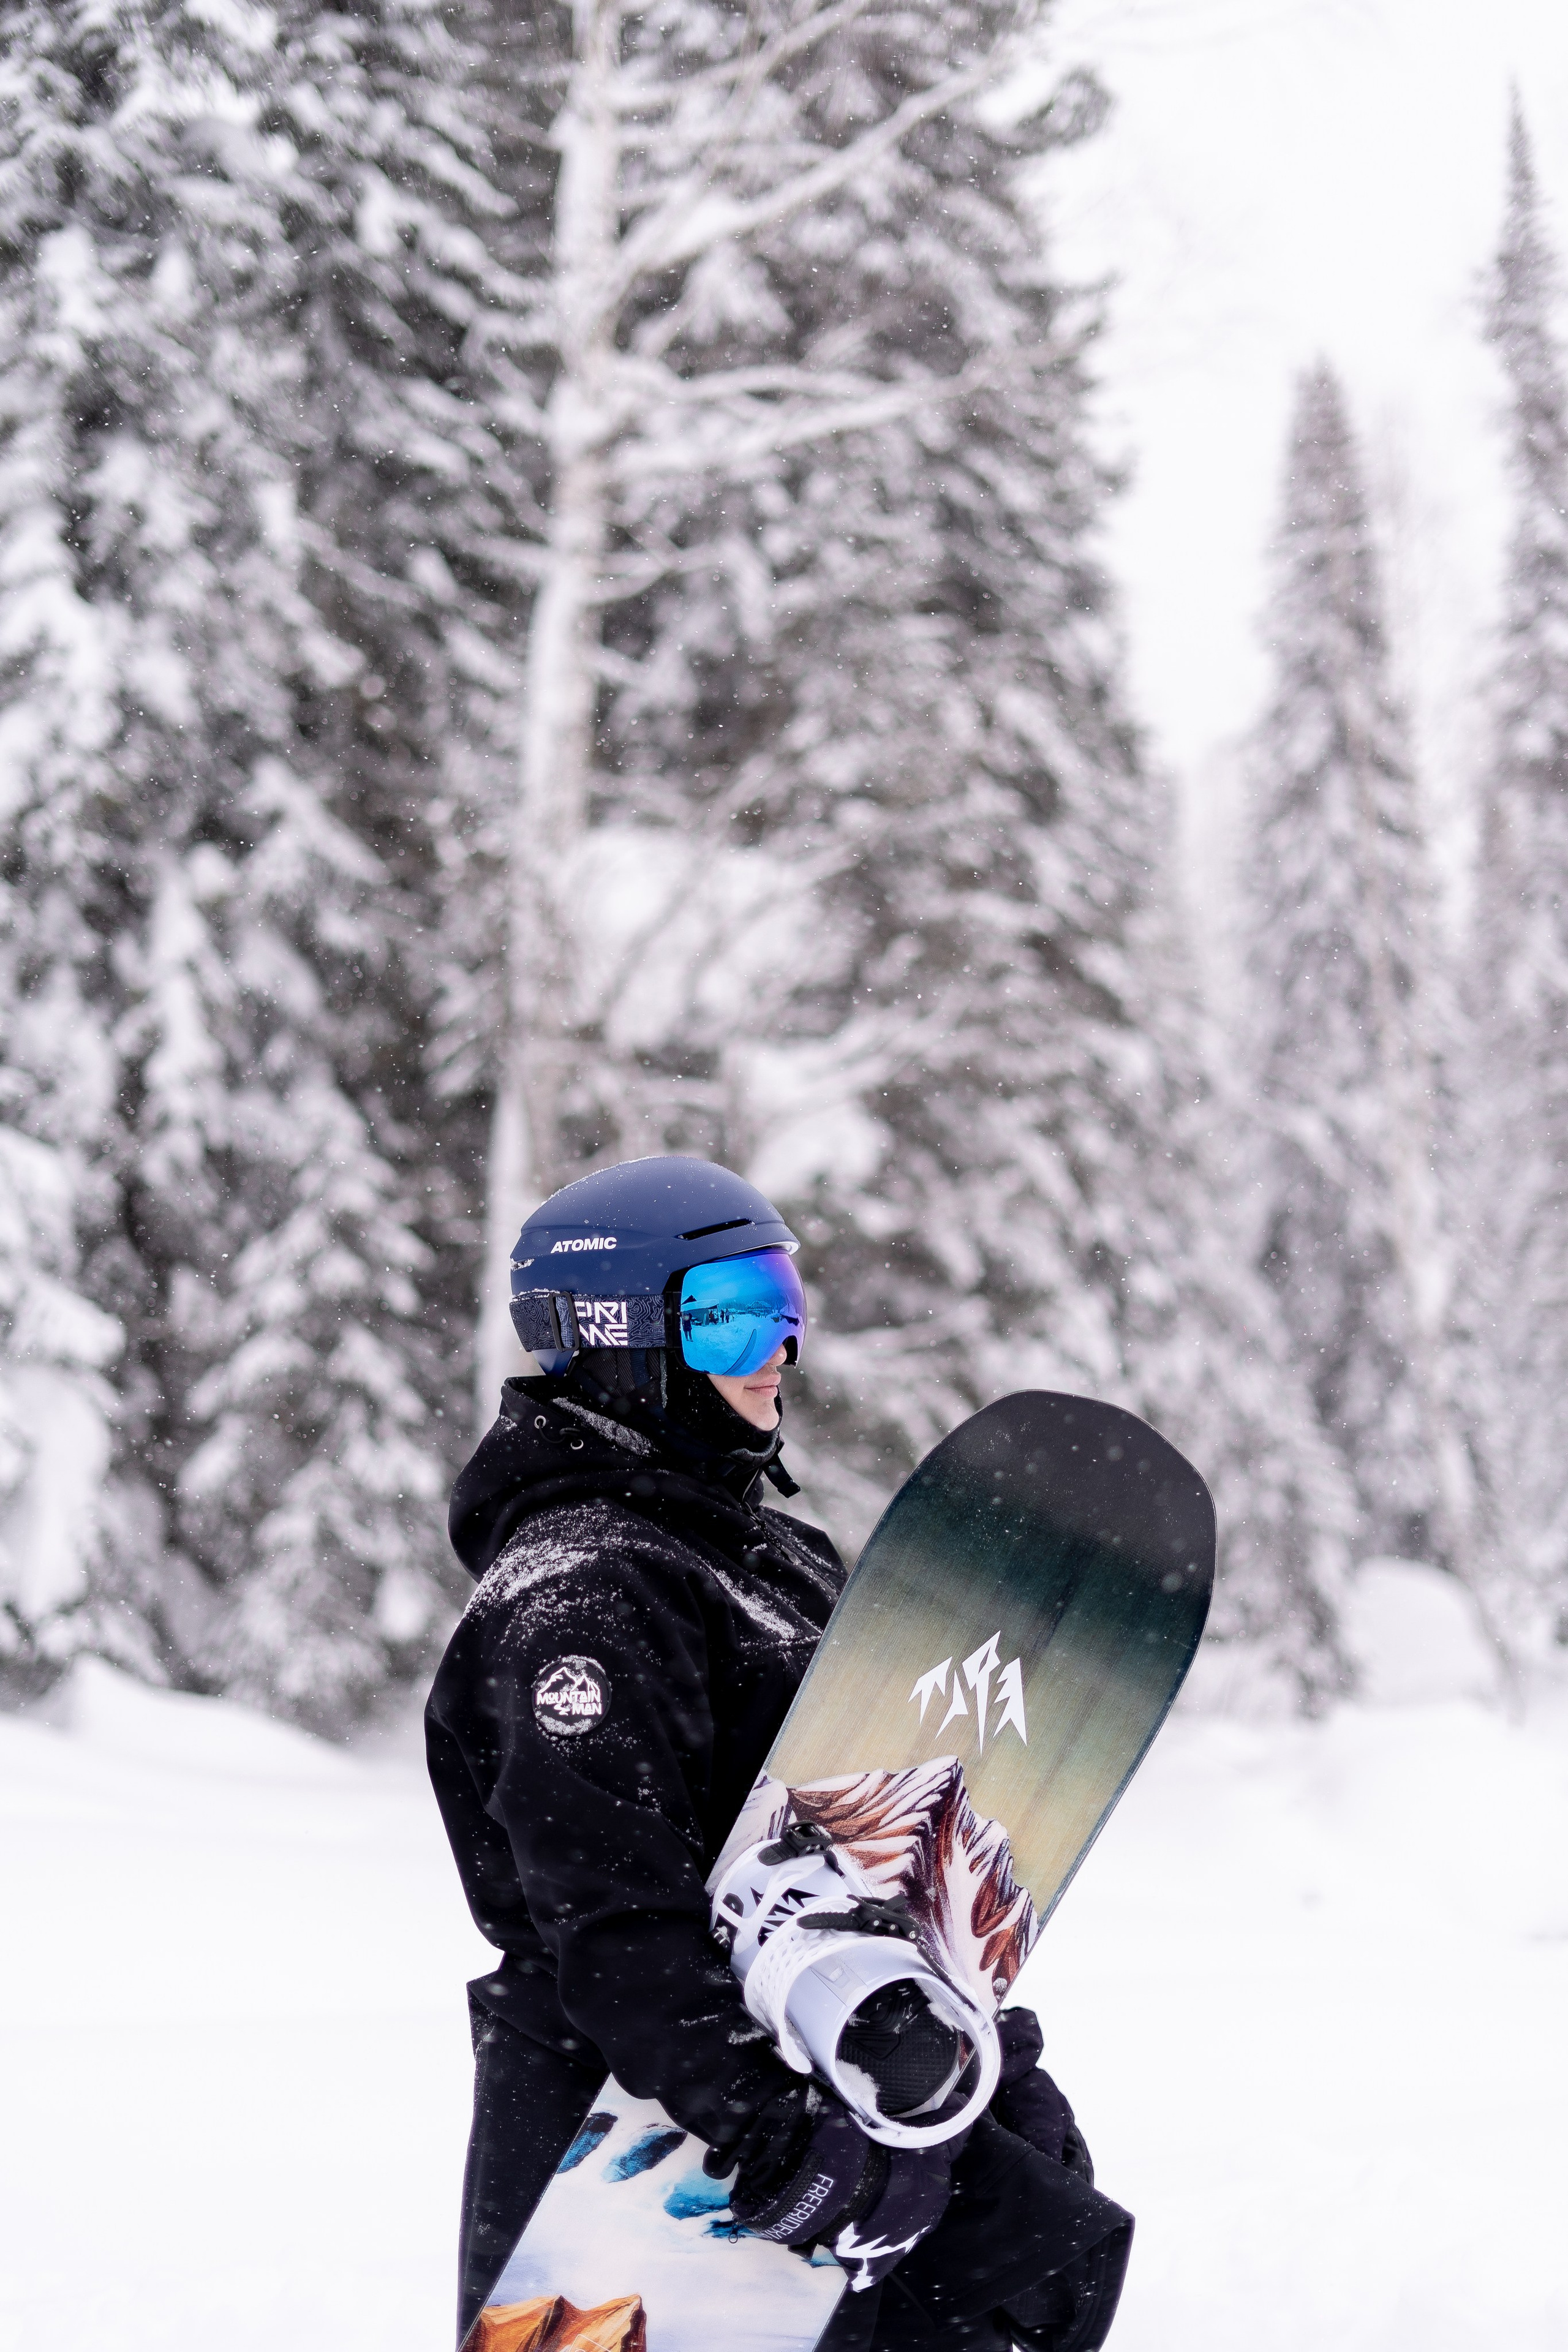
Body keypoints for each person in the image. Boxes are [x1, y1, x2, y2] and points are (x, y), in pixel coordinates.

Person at [426, 1154, 1133, 2351]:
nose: (779, 1349)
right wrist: (771, 2126)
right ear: (620, 1336)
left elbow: (867, 1853)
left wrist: (985, 2064)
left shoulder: (772, 1560)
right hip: (649, 2131)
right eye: (734, 1312)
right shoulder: (580, 1592)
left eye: (786, 1303)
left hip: (837, 2089)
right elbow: (610, 1916)